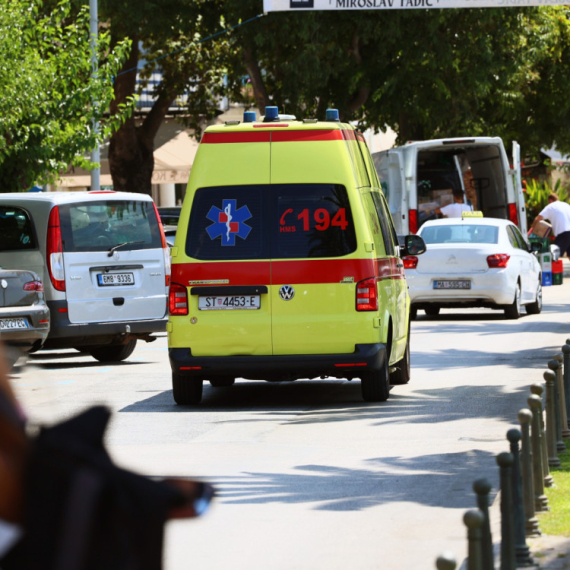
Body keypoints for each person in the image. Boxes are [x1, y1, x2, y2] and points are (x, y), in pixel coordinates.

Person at [530, 192, 570, 257]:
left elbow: (538, 218)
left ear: (550, 200)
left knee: (554, 257)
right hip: (567, 233)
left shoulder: (551, 206)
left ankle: (553, 267)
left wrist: (531, 230)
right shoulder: (566, 205)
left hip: (563, 234)